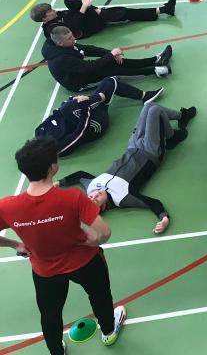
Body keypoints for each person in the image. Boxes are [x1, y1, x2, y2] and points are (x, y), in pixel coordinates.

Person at [0, 138, 126, 354]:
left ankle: (56, 351)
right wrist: (94, 241)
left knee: (50, 313)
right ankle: (108, 332)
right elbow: (105, 232)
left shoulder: (7, 206)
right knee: (100, 296)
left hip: (45, 271)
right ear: (53, 167)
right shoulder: (73, 198)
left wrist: (16, 245)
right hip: (85, 262)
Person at [58, 102, 195, 235]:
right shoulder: (122, 198)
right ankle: (178, 124)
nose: (95, 195)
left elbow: (80, 175)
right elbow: (152, 203)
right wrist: (164, 219)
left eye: (91, 197)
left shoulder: (92, 186)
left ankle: (172, 134)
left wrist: (58, 183)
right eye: (97, 200)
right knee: (155, 111)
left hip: (133, 145)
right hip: (151, 152)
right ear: (104, 207)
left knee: (148, 105)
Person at [33, 76, 158, 157]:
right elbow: (80, 133)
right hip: (94, 127)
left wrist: (74, 100)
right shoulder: (59, 149)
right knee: (106, 87)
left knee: (109, 81)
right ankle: (99, 98)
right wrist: (86, 106)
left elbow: (58, 113)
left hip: (77, 113)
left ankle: (143, 95)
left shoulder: (39, 131)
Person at [42, 26, 172, 94]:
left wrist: (112, 54)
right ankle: (155, 70)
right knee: (112, 71)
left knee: (116, 61)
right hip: (79, 81)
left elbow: (90, 49)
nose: (74, 39)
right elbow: (89, 67)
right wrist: (110, 56)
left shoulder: (66, 44)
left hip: (81, 69)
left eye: (72, 35)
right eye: (69, 38)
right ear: (59, 43)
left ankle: (155, 60)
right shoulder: (61, 58)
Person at [31, 0, 176, 41]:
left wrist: (90, 9)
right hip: (88, 28)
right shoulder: (52, 29)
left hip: (85, 18)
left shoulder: (56, 16)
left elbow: (72, 13)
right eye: (50, 11)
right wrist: (84, 8)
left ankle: (100, 11)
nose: (54, 10)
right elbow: (74, 26)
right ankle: (163, 10)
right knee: (122, 12)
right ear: (44, 18)